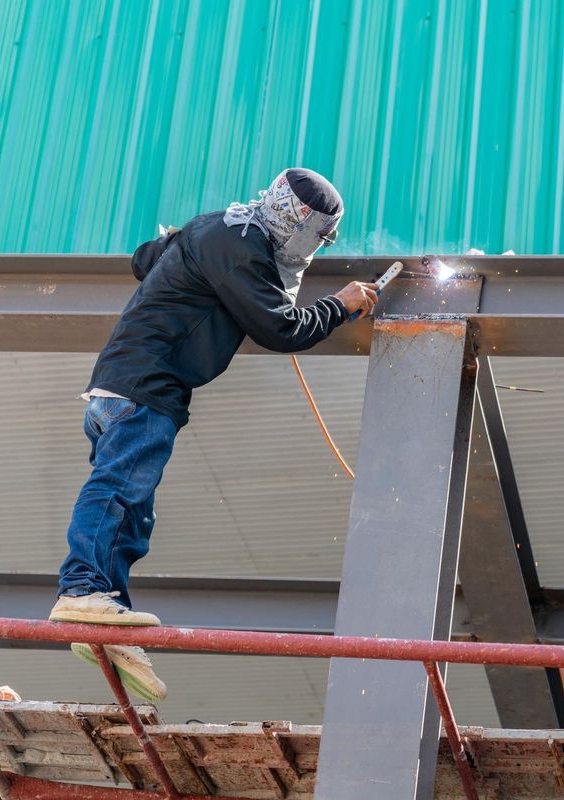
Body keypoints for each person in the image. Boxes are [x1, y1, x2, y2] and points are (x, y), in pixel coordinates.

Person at [48, 168, 378, 701]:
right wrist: (340, 305)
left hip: (123, 390)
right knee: (116, 492)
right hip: (143, 390)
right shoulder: (240, 243)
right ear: (301, 221)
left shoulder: (216, 228)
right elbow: (281, 327)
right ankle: (81, 588)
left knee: (134, 513)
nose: (317, 246)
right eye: (319, 235)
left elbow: (144, 260)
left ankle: (105, 621)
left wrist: (178, 244)